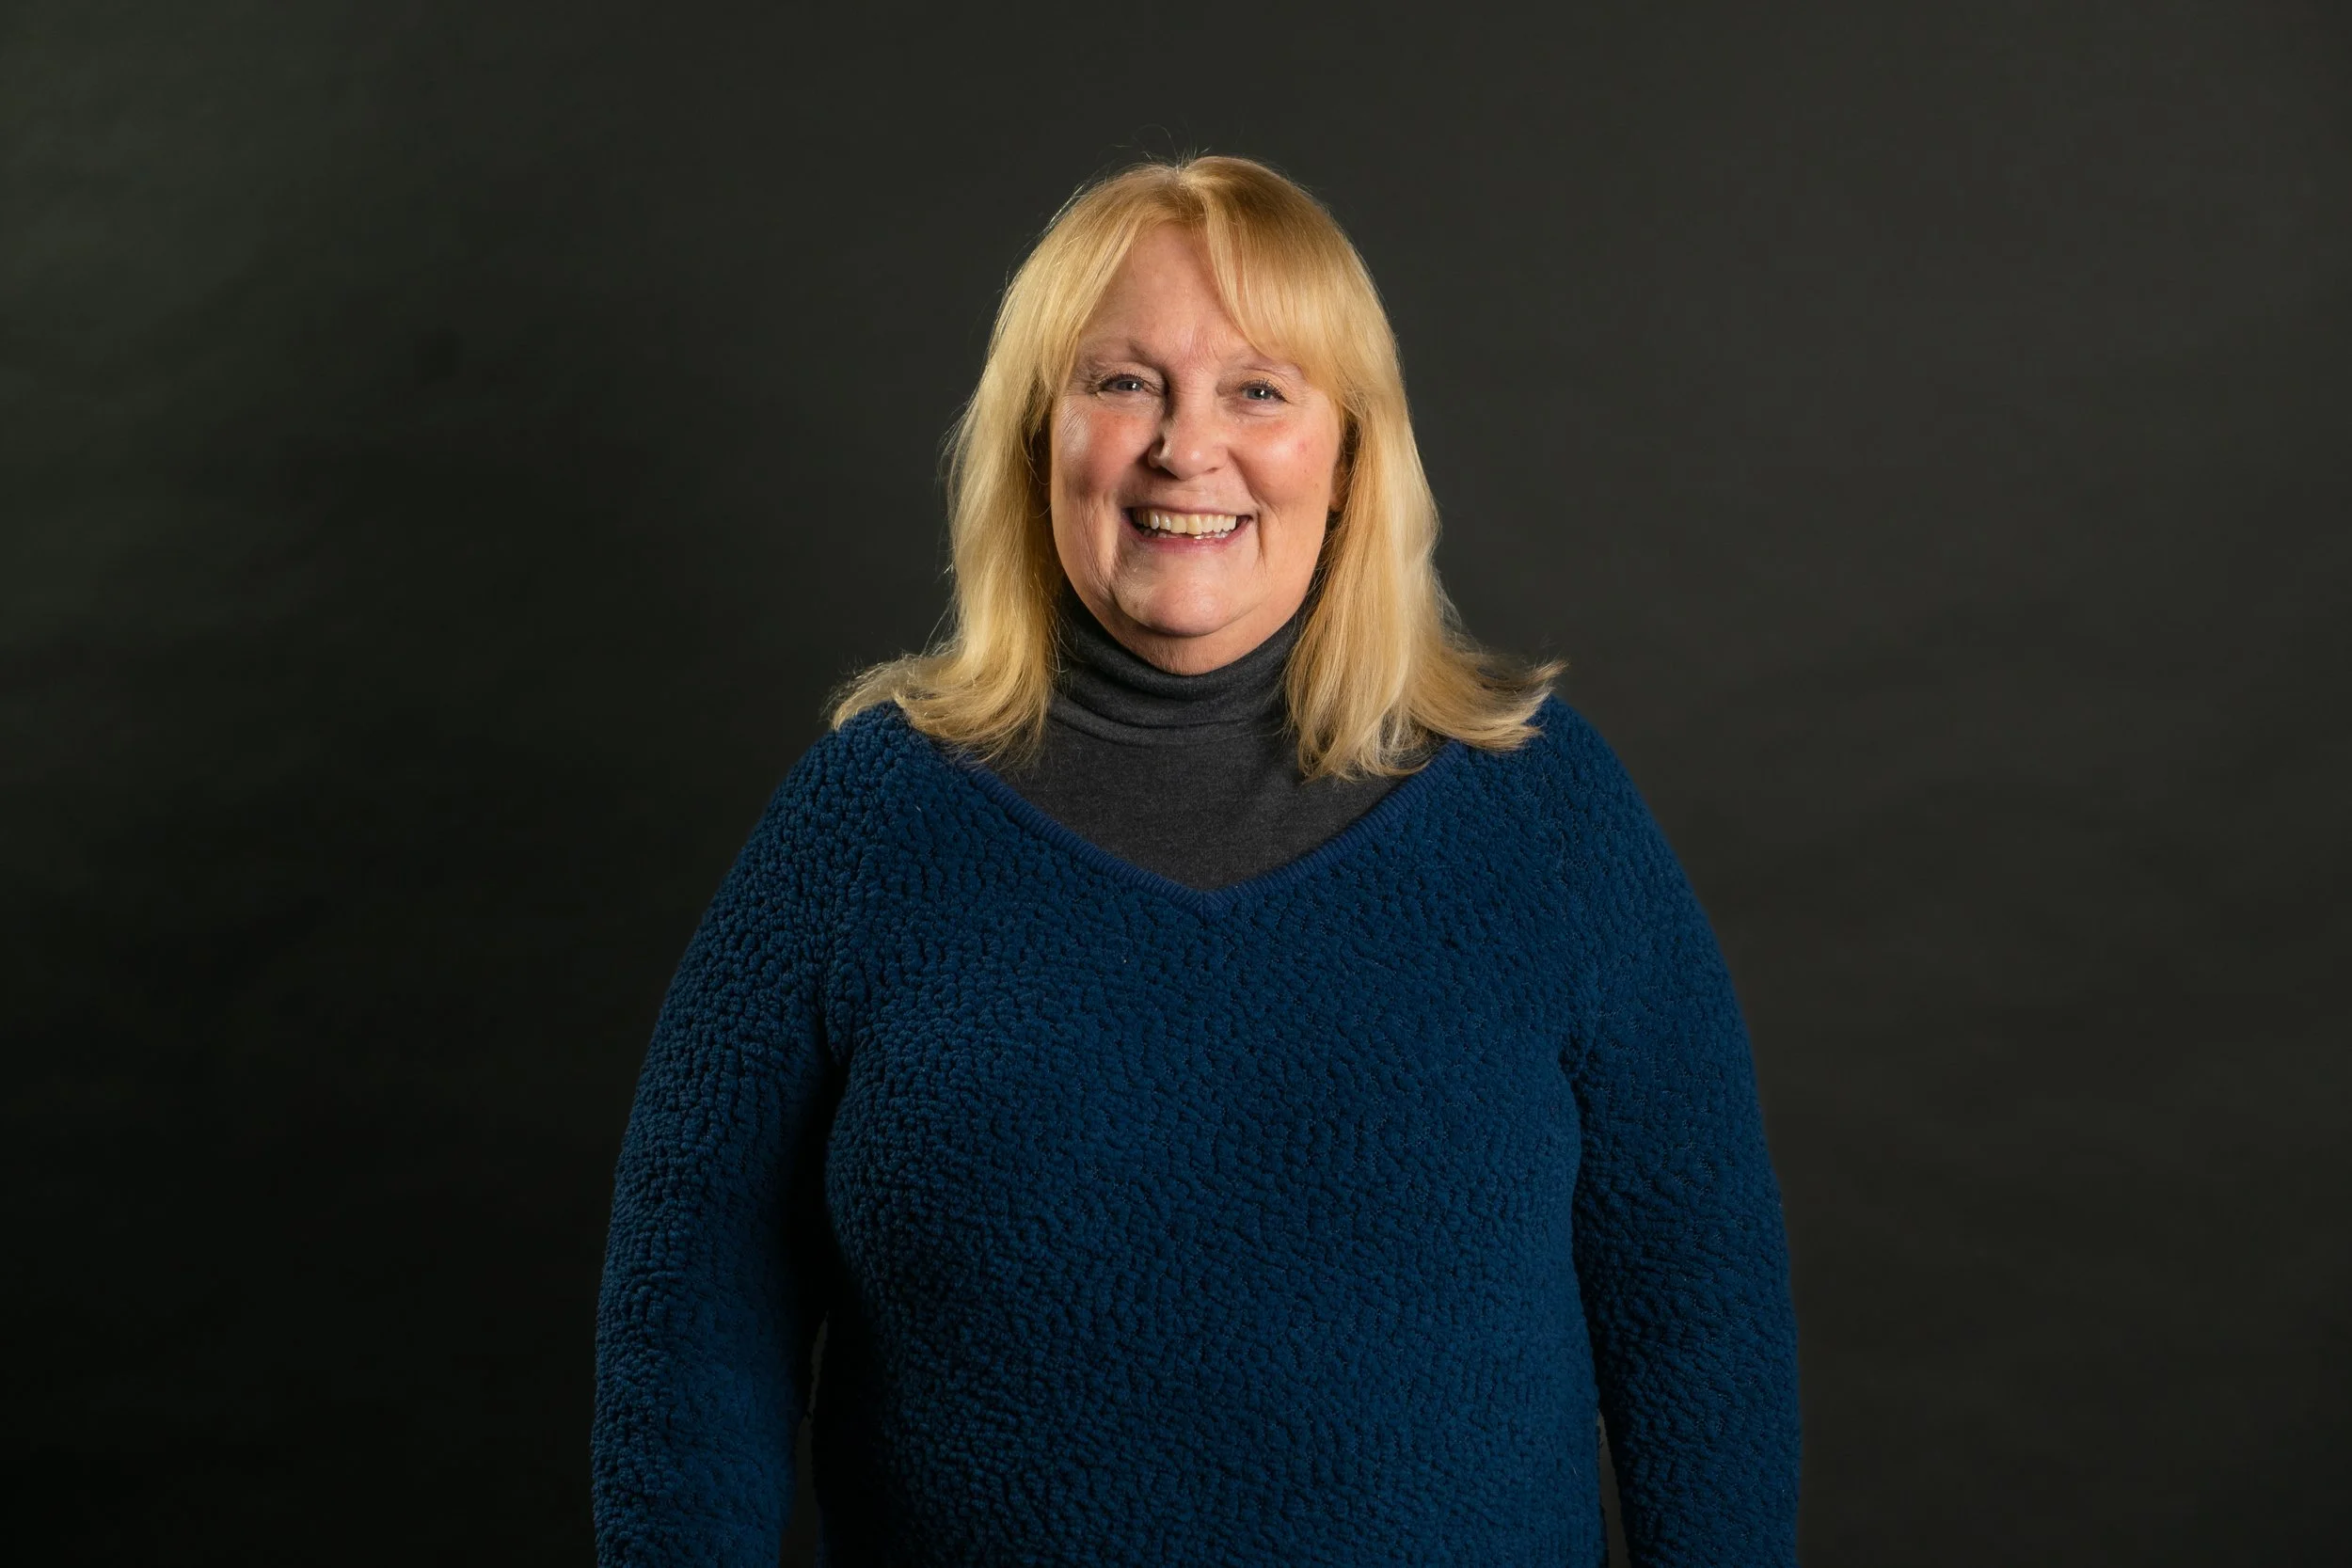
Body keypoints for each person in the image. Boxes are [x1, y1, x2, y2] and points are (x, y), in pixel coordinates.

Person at [593, 155, 1800, 1567]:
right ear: (1038, 435)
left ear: (1350, 456)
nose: (1186, 448)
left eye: (1259, 390)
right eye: (1123, 383)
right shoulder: (862, 825)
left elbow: (1700, 1309)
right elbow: (687, 1323)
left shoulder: (1545, 818)